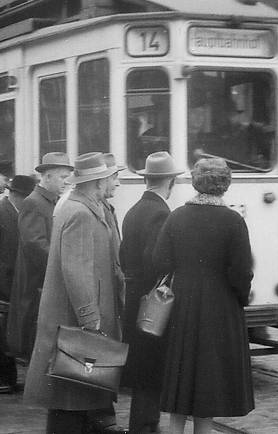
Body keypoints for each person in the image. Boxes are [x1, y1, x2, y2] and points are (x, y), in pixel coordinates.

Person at [25, 152, 126, 434]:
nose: (115, 183)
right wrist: (90, 319)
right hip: (76, 320)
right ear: (98, 181)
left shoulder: (83, 207)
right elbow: (77, 271)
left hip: (72, 318)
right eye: (111, 178)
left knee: (75, 396)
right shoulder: (81, 213)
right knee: (70, 398)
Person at [153, 158, 254, 434]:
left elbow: (160, 260)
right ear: (225, 184)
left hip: (183, 307)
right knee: (208, 384)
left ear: (197, 182)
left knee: (182, 380)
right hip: (219, 309)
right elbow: (242, 271)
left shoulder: (177, 216)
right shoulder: (233, 221)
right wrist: (240, 300)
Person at [121, 151, 185, 434]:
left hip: (134, 296)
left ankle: (143, 424)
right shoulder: (161, 213)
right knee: (151, 368)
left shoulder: (134, 210)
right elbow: (156, 260)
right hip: (152, 302)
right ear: (169, 181)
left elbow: (125, 255)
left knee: (142, 367)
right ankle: (145, 426)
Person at [8, 152, 74, 361]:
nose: (67, 182)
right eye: (62, 177)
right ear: (46, 177)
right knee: (35, 334)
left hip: (44, 279)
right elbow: (34, 243)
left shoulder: (52, 201)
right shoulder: (34, 202)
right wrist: (62, 265)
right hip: (36, 280)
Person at [0, 174, 36, 394]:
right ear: (15, 194)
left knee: (9, 334)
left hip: (15, 283)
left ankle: (8, 378)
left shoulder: (22, 212)